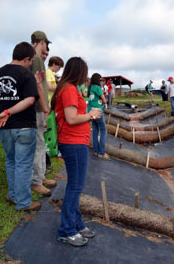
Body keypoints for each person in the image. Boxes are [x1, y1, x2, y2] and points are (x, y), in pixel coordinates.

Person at [51, 57, 102, 246]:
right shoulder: (70, 90)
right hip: (72, 143)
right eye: (84, 72)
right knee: (75, 186)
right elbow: (71, 118)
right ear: (78, 72)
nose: (86, 76)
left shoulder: (68, 88)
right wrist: (91, 115)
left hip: (75, 142)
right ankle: (66, 230)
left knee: (76, 185)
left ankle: (77, 223)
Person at [0, 42, 42, 211]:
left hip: (4, 126)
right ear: (27, 58)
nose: (30, 64)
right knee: (23, 164)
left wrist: (6, 112)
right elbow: (29, 100)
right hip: (23, 126)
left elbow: (9, 93)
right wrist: (9, 111)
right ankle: (23, 202)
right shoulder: (26, 74)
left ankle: (13, 195)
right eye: (31, 61)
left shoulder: (0, 72)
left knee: (11, 161)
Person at [30, 30, 57, 196]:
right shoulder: (37, 59)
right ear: (41, 42)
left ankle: (40, 176)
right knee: (39, 145)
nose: (46, 47)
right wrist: (45, 108)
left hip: (36, 108)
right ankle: (36, 181)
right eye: (46, 44)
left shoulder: (31, 58)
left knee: (40, 143)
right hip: (38, 109)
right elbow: (39, 86)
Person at [87, 73, 110, 160]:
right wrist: (105, 101)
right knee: (103, 130)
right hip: (98, 111)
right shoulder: (98, 88)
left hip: (91, 112)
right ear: (97, 80)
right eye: (100, 80)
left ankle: (96, 151)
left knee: (95, 130)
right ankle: (101, 152)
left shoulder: (90, 87)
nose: (101, 81)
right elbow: (104, 100)